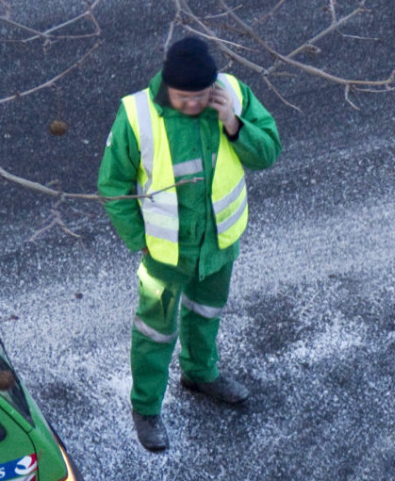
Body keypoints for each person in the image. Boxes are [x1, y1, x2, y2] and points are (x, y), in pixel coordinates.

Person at [100, 36, 281, 452]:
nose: (193, 105)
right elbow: (112, 185)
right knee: (155, 332)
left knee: (206, 313)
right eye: (184, 98)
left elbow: (269, 151)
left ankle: (200, 374)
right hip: (165, 254)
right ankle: (146, 407)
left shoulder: (233, 95)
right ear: (168, 85)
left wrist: (233, 123)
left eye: (200, 96)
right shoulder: (137, 115)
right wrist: (139, 240)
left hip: (217, 245)